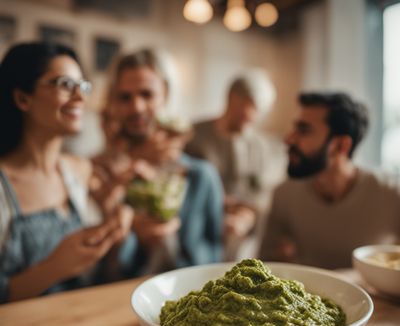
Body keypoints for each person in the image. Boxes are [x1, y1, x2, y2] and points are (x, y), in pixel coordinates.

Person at [0, 42, 133, 303]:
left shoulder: (79, 170)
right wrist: (54, 268)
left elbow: (105, 269)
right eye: (64, 84)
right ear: (22, 98)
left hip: (78, 323)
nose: (81, 97)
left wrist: (113, 223)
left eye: (83, 86)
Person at [102, 49, 223, 275]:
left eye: (147, 94)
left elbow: (214, 258)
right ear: (113, 102)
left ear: (165, 95)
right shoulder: (102, 174)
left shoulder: (200, 177)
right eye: (125, 97)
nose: (137, 107)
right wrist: (131, 232)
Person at [259, 92, 400, 269]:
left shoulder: (392, 194)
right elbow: (265, 266)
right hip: (307, 294)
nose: (288, 139)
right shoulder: (284, 194)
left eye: (303, 130)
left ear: (341, 146)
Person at [185, 71, 286, 260]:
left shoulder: (262, 146)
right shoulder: (194, 135)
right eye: (247, 106)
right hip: (199, 219)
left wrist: (249, 215)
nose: (252, 116)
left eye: (258, 110)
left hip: (243, 227)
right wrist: (217, 209)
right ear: (232, 98)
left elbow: (261, 193)